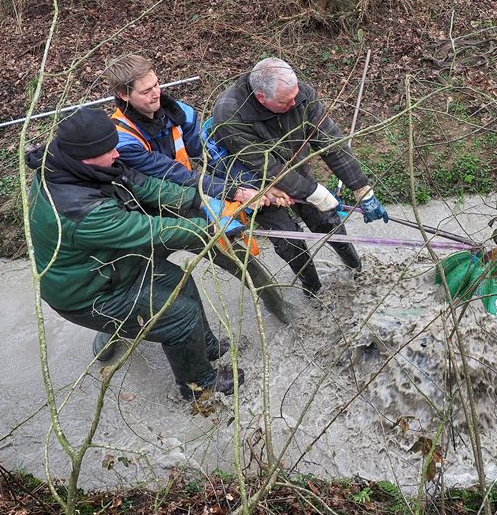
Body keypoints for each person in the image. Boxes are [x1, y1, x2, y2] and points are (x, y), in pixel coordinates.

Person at [27, 107, 247, 403]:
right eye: (108, 150)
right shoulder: (79, 210)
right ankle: (201, 388)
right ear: (86, 157)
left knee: (180, 281)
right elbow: (150, 230)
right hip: (90, 294)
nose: (117, 154)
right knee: (180, 317)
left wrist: (197, 197)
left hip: (113, 266)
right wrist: (209, 227)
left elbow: (143, 184)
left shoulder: (76, 165)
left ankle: (205, 349)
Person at [104, 54, 292, 323]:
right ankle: (113, 334)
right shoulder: (122, 139)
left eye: (157, 84)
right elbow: (175, 174)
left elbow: (213, 158)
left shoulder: (180, 113)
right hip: (146, 217)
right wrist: (235, 192)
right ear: (123, 94)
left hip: (189, 201)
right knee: (133, 276)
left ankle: (282, 311)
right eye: (146, 91)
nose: (156, 93)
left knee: (240, 258)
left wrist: (255, 186)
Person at [210, 57, 389, 295]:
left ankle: (356, 267)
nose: (295, 103)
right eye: (286, 101)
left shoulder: (299, 94)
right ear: (262, 98)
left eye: (296, 95)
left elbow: (330, 143)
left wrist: (361, 188)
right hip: (254, 184)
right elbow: (265, 165)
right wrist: (312, 192)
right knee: (289, 239)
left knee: (327, 220)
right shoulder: (229, 112)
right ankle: (312, 288)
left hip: (295, 166)